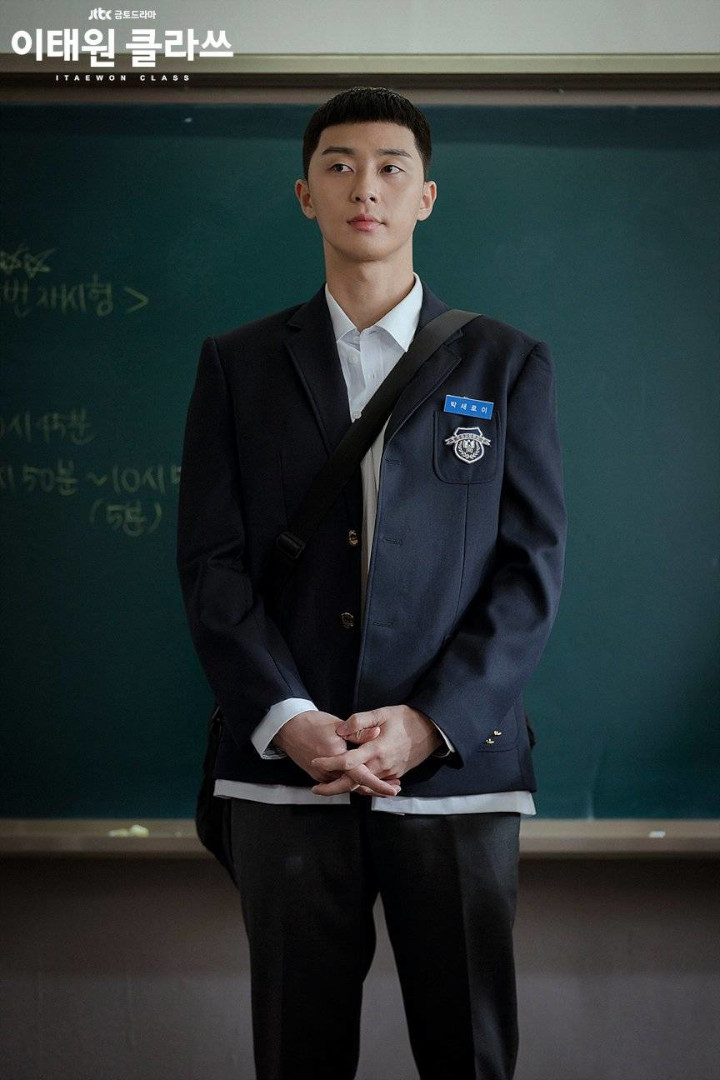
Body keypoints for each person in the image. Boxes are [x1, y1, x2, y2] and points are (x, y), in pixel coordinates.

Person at [176, 85, 567, 1080]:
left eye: (392, 168)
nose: (366, 188)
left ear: (426, 196)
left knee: (469, 1052)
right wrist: (287, 716)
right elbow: (213, 565)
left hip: (454, 774)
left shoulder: (505, 363)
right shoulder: (238, 365)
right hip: (288, 769)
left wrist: (431, 722)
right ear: (304, 193)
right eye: (340, 165)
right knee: (297, 1053)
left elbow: (529, 570)